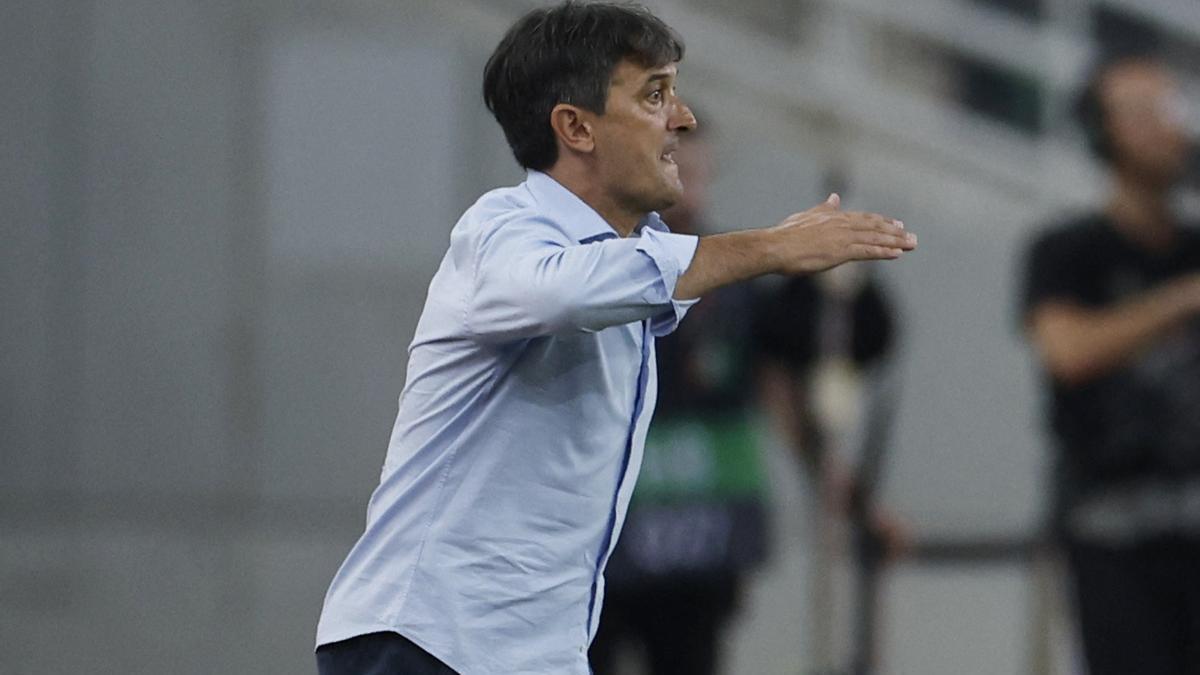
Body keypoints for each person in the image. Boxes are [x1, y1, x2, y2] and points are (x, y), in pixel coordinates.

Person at [314, 3, 916, 674]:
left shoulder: (635, 251)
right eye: (655, 94)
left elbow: (715, 313)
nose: (682, 120)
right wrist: (772, 246)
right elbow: (565, 290)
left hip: (527, 654)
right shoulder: (500, 228)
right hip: (426, 641)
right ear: (575, 126)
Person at [1020, 57, 1200, 675]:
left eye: (1171, 110)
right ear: (1104, 134)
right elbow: (1067, 351)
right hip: (1113, 535)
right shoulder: (1069, 252)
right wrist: (1182, 299)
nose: (1166, 128)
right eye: (1142, 112)